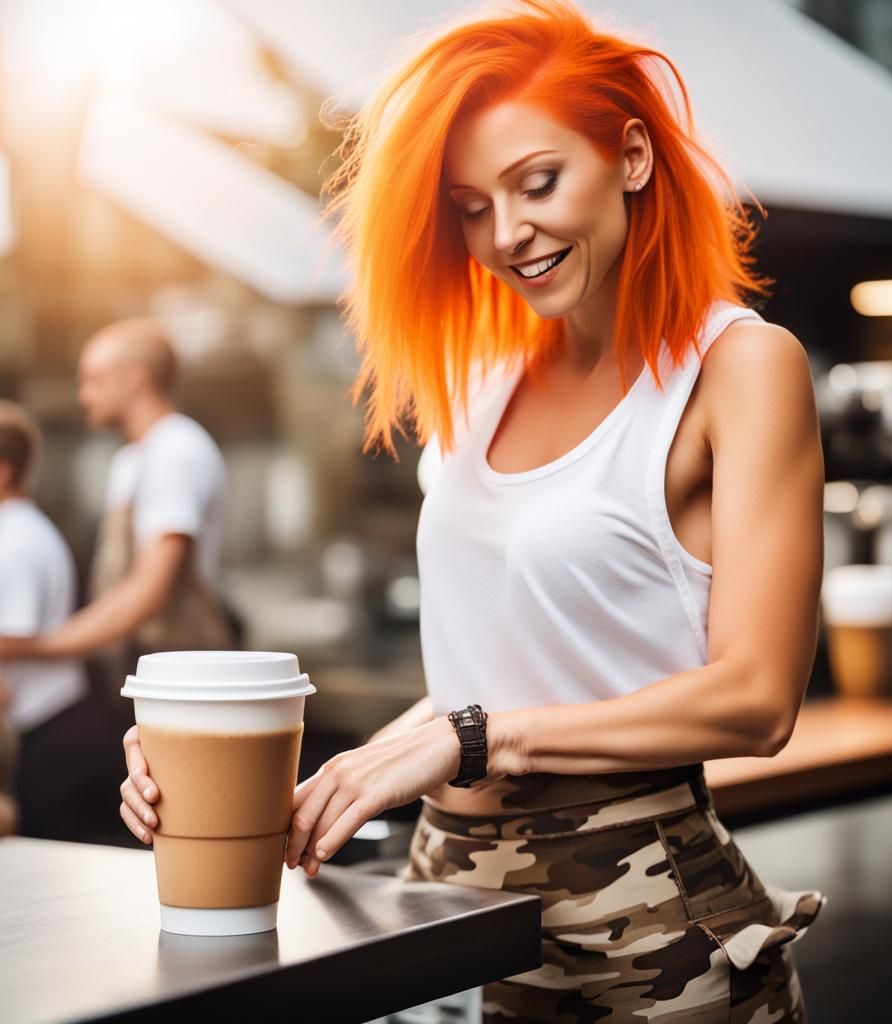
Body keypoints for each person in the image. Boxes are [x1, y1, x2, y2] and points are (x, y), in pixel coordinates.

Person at [119, 1, 827, 1019]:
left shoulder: (741, 367)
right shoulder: (484, 381)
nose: (508, 233)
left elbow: (756, 702)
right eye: (470, 205)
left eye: (539, 181)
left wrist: (468, 736)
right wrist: (297, 774)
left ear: (628, 156)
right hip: (443, 906)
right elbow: (484, 689)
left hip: (640, 927)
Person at [0, 319, 235, 732]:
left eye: (93, 380)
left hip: (183, 685)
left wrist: (37, 646)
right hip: (142, 681)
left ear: (135, 379)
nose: (83, 396)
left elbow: (147, 593)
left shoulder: (176, 450)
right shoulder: (132, 460)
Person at [0, 401, 104, 841]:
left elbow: (9, 639)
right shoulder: (22, 530)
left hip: (55, 736)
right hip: (50, 727)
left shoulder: (15, 540)